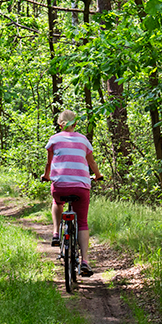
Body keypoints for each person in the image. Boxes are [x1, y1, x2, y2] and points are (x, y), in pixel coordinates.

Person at [42, 109, 102, 277]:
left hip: (60, 186)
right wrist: (98, 176)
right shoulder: (83, 140)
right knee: (82, 222)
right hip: (81, 187)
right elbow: (92, 162)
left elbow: (49, 164)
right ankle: (85, 261)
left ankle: (55, 233)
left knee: (57, 202)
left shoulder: (54, 140)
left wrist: (46, 176)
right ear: (75, 124)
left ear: (60, 124)